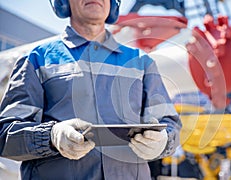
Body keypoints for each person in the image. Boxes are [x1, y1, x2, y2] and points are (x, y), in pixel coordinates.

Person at [0, 0, 182, 179]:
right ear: (63, 2)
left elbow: (170, 124)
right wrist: (51, 136)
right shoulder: (36, 60)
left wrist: (164, 140)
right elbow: (5, 136)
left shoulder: (142, 62)